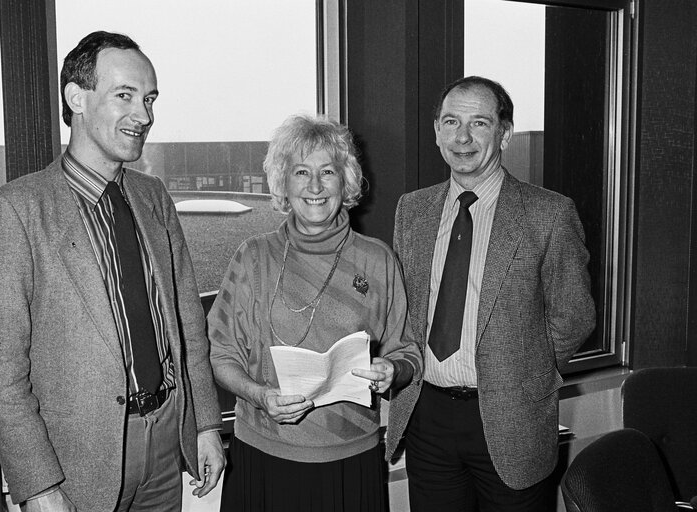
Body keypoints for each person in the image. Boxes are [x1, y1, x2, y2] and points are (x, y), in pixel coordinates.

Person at [0, 31, 225, 511]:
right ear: (77, 99)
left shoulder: (153, 197)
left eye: (149, 99)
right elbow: (2, 378)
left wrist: (207, 424)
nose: (144, 115)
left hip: (168, 446)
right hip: (76, 466)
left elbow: (188, 327)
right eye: (125, 96)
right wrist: (39, 487)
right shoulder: (14, 212)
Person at [388, 76, 596, 511]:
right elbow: (406, 313)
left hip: (513, 422)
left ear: (505, 133)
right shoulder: (412, 209)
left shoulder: (548, 213)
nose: (463, 137)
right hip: (428, 418)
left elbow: (573, 318)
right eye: (451, 122)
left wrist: (522, 375)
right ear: (436, 132)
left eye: (479, 123)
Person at [207, 114, 422, 512]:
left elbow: (408, 351)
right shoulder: (253, 256)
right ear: (283, 183)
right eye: (301, 172)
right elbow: (220, 355)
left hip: (349, 461)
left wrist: (393, 370)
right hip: (263, 456)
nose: (315, 186)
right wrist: (259, 395)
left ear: (346, 181)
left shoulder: (378, 260)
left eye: (328, 172)